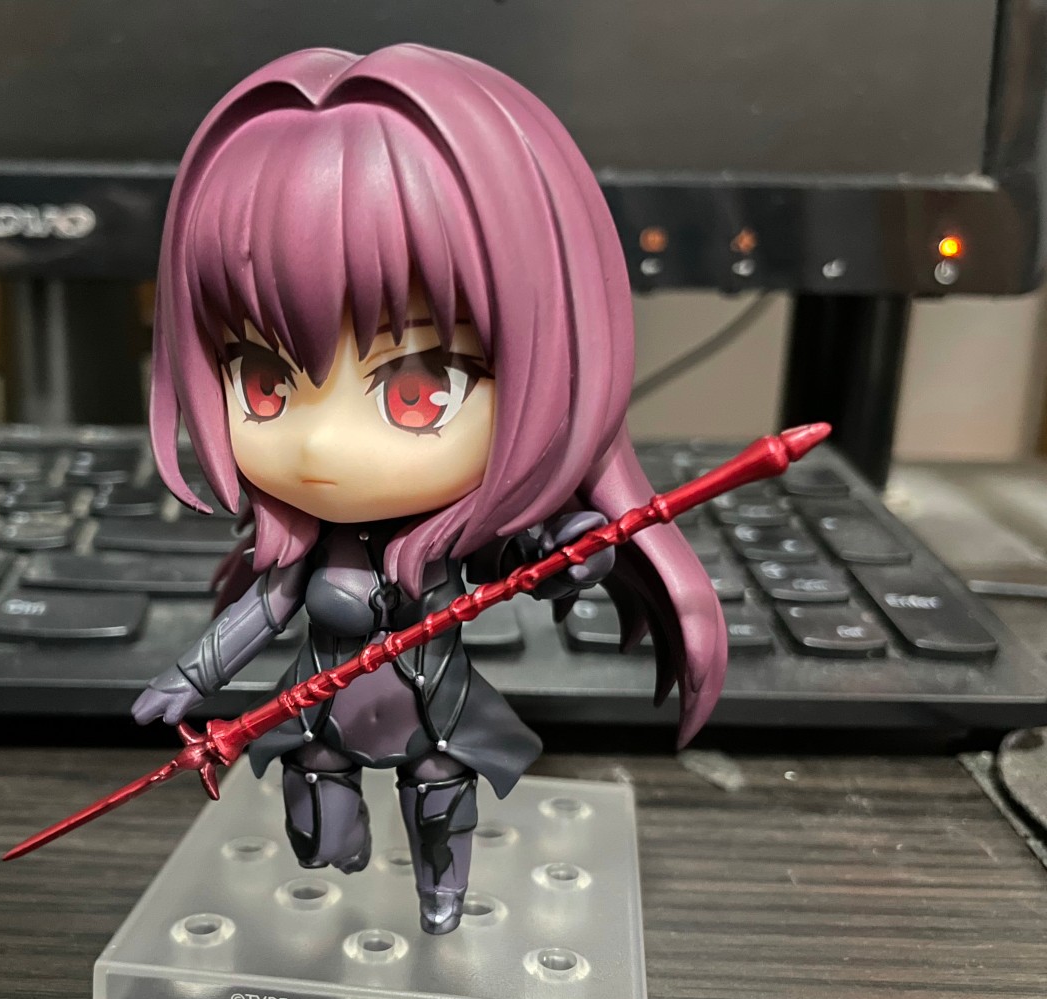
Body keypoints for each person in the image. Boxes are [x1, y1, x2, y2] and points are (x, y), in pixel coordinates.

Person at [132, 44, 726, 933]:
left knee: (441, 799)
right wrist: (190, 677)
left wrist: (576, 554)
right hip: (321, 717)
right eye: (263, 382)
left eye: (415, 391)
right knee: (319, 823)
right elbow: (261, 611)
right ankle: (341, 847)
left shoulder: (454, 547)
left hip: (435, 716)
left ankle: (440, 896)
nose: (323, 443)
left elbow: (536, 563)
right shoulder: (312, 552)